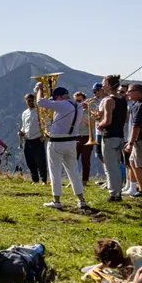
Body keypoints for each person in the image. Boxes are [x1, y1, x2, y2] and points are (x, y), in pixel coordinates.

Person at [35, 83, 88, 211]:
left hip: (57, 142)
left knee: (55, 171)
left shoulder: (63, 104)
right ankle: (81, 200)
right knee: (73, 171)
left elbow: (40, 102)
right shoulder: (79, 105)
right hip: (71, 142)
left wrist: (40, 89)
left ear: (59, 97)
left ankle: (56, 201)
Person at [96, 75, 126, 201]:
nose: (102, 86)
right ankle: (117, 191)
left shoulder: (109, 101)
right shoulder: (123, 100)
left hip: (109, 136)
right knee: (117, 165)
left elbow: (107, 121)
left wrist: (99, 124)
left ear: (109, 84)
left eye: (104, 83)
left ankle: (114, 193)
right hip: (120, 136)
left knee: (110, 166)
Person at [17, 93, 47, 184]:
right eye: (28, 101)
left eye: (31, 100)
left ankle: (43, 180)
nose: (30, 102)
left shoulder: (39, 111)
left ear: (34, 100)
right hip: (27, 139)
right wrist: (21, 132)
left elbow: (45, 124)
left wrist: (44, 135)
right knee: (30, 161)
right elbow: (24, 126)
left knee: (40, 161)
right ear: (25, 102)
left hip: (38, 139)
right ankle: (35, 179)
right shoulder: (24, 113)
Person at [73, 91, 95, 184]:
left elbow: (92, 125)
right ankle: (74, 180)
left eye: (79, 101)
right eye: (76, 101)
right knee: (73, 160)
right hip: (75, 137)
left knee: (85, 160)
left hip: (86, 137)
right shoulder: (73, 111)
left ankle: (84, 180)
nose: (78, 103)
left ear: (84, 100)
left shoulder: (90, 111)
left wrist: (80, 115)